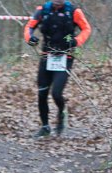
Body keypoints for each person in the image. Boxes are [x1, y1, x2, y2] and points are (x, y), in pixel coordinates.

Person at [24, 0, 91, 137]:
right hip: (47, 56)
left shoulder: (74, 11)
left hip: (65, 57)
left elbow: (86, 29)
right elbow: (29, 27)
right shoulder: (43, 10)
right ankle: (45, 127)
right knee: (42, 93)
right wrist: (30, 38)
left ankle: (61, 112)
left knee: (56, 93)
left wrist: (77, 41)